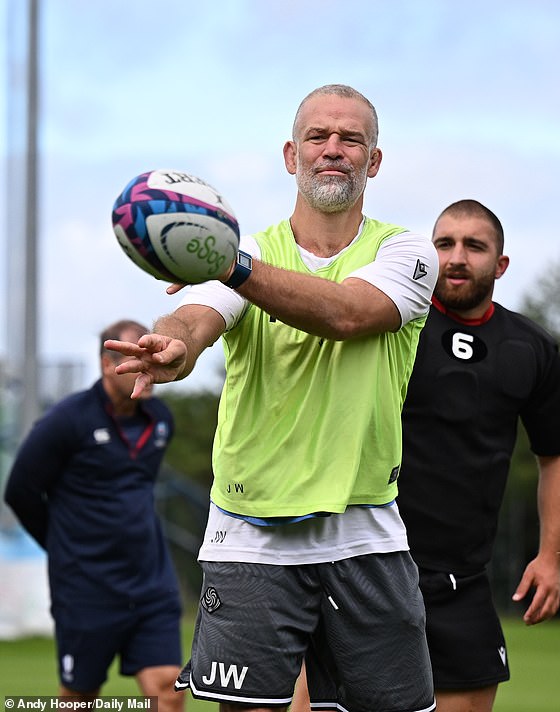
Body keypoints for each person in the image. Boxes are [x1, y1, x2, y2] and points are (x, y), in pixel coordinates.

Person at [104, 84, 439, 712]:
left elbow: (347, 313)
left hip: (364, 528)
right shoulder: (251, 254)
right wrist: (173, 345)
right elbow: (196, 317)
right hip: (250, 534)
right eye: (318, 137)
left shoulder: (407, 253)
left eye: (351, 139)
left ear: (375, 160)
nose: (333, 150)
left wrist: (229, 267)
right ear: (292, 155)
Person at [397, 199, 560, 712]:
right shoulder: (390, 324)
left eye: (474, 246)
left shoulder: (530, 347)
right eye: (444, 244)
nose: (457, 257)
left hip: (462, 583)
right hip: (367, 568)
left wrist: (550, 558)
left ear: (500, 265)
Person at [4, 319, 184, 711]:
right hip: (86, 590)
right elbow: (19, 492)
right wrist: (63, 545)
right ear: (108, 364)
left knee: (167, 689)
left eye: (152, 359)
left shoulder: (161, 421)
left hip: (150, 585)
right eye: (140, 360)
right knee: (80, 698)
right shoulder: (65, 422)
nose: (149, 370)